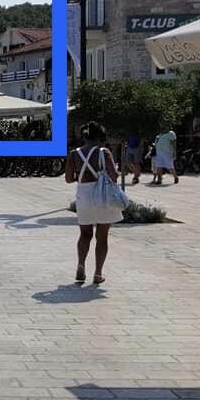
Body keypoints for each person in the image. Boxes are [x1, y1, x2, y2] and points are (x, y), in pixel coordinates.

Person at [65, 121, 121, 285]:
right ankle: (98, 273)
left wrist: (81, 175)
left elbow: (68, 179)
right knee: (102, 237)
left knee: (85, 234)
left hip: (83, 195)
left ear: (85, 136)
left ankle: (81, 265)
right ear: (100, 137)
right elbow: (114, 175)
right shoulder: (104, 152)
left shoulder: (74, 154)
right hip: (102, 195)